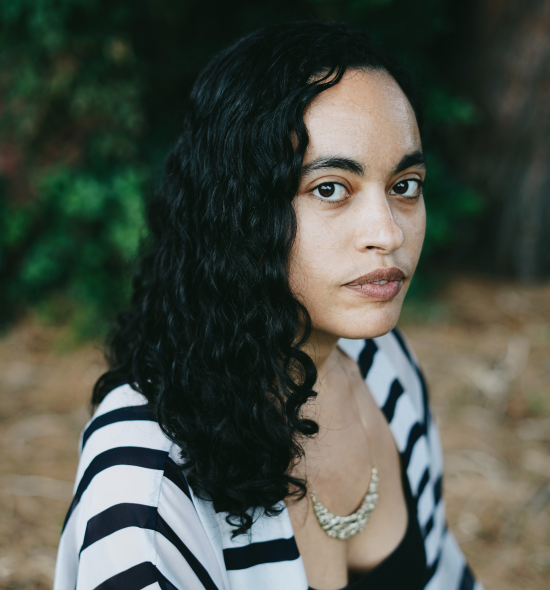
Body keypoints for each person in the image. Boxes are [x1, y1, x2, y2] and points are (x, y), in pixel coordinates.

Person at [53, 21, 483, 590]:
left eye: (405, 184)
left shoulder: (384, 366)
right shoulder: (146, 490)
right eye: (330, 188)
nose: (388, 233)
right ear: (238, 207)